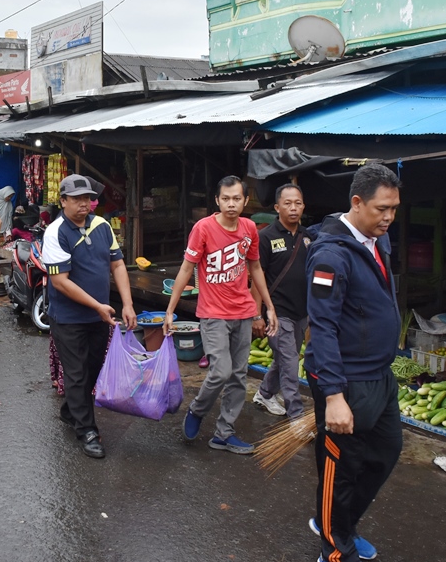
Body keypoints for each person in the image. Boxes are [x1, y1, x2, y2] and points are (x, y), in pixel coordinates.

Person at [304, 163, 403, 562]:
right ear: (357, 202)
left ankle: (338, 523)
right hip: (346, 380)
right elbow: (322, 327)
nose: (389, 217)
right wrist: (334, 396)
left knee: (385, 452)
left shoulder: (379, 239)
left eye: (394, 208)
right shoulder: (330, 255)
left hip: (379, 375)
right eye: (382, 208)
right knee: (341, 469)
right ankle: (336, 549)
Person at [163, 176, 277, 455]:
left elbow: (256, 269)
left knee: (239, 375)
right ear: (217, 200)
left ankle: (224, 434)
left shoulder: (250, 228)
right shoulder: (203, 228)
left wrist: (268, 307)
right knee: (221, 370)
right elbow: (186, 269)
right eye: (225, 198)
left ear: (245, 200)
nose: (231, 204)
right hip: (213, 313)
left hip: (243, 312)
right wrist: (170, 310)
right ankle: (197, 410)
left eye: (237, 198)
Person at [41, 175, 137, 459]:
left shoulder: (102, 225)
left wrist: (127, 304)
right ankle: (87, 431)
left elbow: (117, 265)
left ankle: (70, 410)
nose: (84, 204)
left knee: (93, 368)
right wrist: (97, 305)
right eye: (77, 199)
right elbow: (60, 282)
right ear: (63, 201)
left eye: (88, 198)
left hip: (100, 316)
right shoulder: (55, 232)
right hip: (68, 318)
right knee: (77, 373)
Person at [253, 183, 311, 419]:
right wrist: (257, 315)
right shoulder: (265, 237)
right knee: (289, 364)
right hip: (277, 314)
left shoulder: (308, 237)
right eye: (287, 203)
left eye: (297, 203)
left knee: (286, 359)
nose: (293, 208)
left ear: (303, 206)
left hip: (301, 313)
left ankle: (265, 393)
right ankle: (296, 415)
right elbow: (257, 278)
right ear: (277, 207)